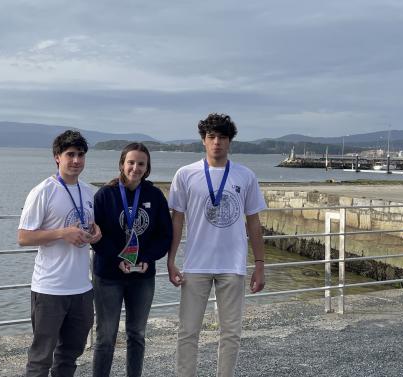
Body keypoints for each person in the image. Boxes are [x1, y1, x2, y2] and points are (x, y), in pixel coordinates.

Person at [166, 113, 267, 377]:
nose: (217, 143)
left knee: (231, 332)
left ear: (230, 141)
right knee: (188, 331)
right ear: (203, 140)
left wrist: (259, 265)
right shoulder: (185, 175)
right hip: (196, 263)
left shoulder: (245, 175)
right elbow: (177, 220)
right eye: (212, 137)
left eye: (222, 137)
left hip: (232, 264)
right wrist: (170, 259)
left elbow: (254, 223)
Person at [18, 130, 103, 377]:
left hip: (81, 288)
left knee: (71, 355)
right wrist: (60, 233)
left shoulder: (88, 192)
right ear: (57, 157)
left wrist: (97, 233)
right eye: (70, 155)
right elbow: (23, 237)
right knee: (41, 358)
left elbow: (89, 227)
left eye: (81, 155)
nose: (76, 160)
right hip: (49, 288)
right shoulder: (43, 191)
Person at [91, 142, 173, 377]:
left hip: (142, 275)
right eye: (131, 162)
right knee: (106, 336)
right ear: (122, 164)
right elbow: (95, 237)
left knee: (136, 334)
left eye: (141, 164)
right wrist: (118, 259)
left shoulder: (154, 195)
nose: (135, 168)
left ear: (147, 168)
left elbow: (164, 235)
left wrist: (147, 258)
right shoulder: (105, 195)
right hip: (108, 276)